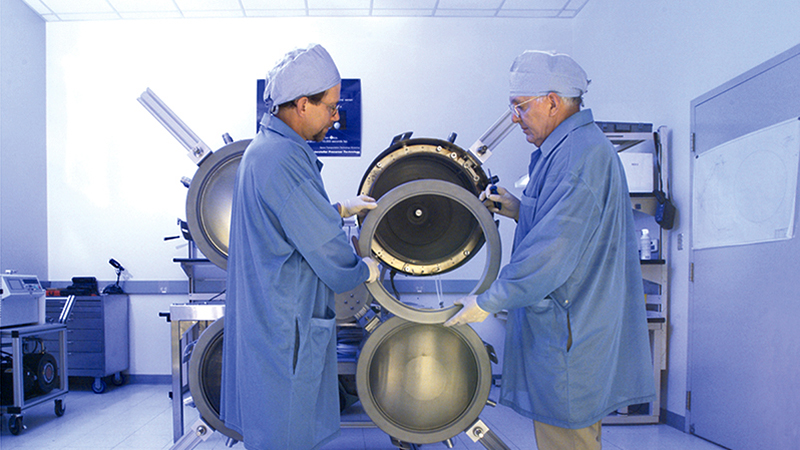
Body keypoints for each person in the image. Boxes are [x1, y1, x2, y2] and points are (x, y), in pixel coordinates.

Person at [444, 50, 655, 450]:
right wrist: (519, 208)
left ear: (553, 102)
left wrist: (489, 301)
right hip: (568, 324)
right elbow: (566, 224)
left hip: (571, 331)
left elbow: (554, 250)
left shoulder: (578, 156)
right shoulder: (568, 149)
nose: (514, 118)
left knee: (568, 438)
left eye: (519, 107)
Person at [220, 43, 380, 450]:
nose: (336, 115)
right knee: (286, 433)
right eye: (330, 106)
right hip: (285, 327)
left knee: (276, 429)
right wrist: (364, 267)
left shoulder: (265, 150)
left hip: (273, 322)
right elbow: (325, 248)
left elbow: (289, 219)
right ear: (303, 104)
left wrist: (339, 207)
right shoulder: (283, 157)